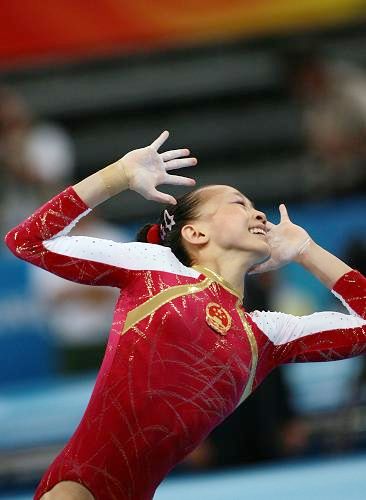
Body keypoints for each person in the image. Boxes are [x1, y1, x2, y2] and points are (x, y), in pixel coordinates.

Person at [4, 131, 366, 500]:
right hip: (78, 489)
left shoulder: (267, 335)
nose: (258, 213)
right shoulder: (152, 266)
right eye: (238, 203)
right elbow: (27, 241)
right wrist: (116, 176)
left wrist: (307, 251)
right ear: (194, 232)